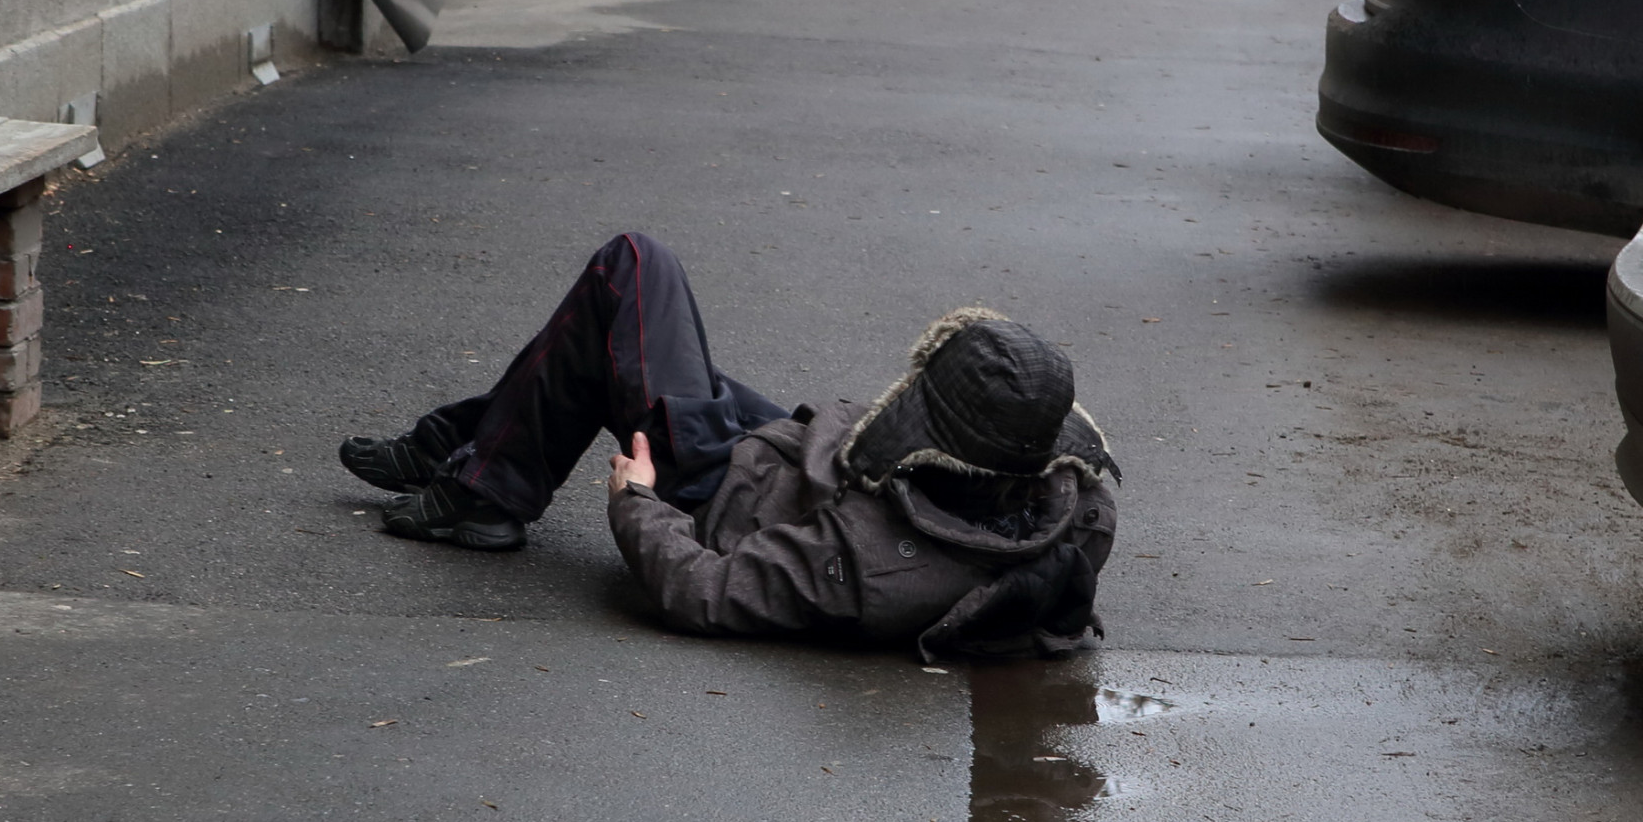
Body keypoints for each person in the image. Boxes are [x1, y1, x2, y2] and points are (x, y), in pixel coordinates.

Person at [338, 234, 1119, 661]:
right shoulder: (1066, 504)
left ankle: (480, 487)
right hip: (794, 457)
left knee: (633, 270)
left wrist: (635, 501)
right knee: (628, 343)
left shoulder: (869, 568)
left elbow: (706, 592)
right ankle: (464, 454)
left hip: (719, 486)